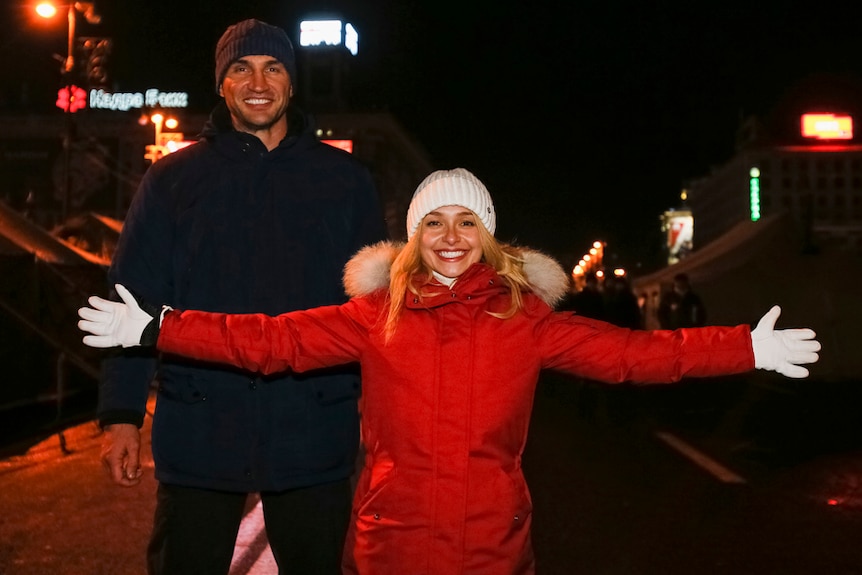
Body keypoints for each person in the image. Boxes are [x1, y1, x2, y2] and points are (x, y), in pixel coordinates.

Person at [79, 168, 820, 575]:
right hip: (388, 548)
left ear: (489, 237)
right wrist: (157, 325)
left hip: (493, 549)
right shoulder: (375, 316)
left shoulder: (524, 319)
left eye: (468, 221)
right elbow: (269, 341)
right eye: (434, 221)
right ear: (413, 237)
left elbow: (634, 357)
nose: (451, 235)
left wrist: (745, 347)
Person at [96, 18, 387, 575]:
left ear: (292, 83)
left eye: (273, 67)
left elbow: (374, 312)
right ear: (221, 84)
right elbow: (130, 300)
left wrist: (388, 424)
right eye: (241, 68)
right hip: (200, 427)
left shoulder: (346, 180)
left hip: (313, 431)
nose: (258, 81)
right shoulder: (173, 179)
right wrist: (121, 415)